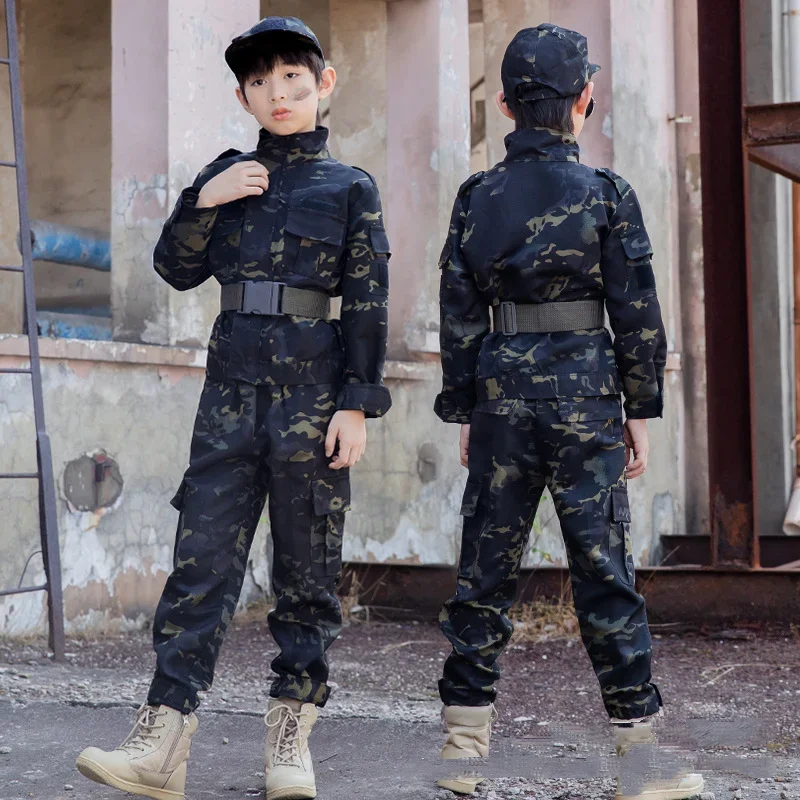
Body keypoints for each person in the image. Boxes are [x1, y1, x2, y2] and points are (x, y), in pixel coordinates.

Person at [76, 16, 391, 800]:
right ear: (244, 96)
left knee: (307, 570)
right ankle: (161, 744)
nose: (275, 95)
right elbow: (174, 270)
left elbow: (369, 304)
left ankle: (291, 738)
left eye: (291, 79)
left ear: (324, 84)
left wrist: (356, 406)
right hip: (229, 402)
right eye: (258, 83)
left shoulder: (350, 188)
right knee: (199, 568)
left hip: (313, 405)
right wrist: (201, 199)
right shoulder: (227, 175)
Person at [433, 23, 703, 800]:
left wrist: (464, 406)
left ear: (510, 107)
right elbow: (637, 312)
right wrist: (639, 409)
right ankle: (641, 765)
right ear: (586, 98)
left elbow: (457, 310)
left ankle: (462, 754)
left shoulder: (477, 197)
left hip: (501, 399)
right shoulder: (607, 194)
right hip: (585, 399)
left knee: (484, 571)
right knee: (603, 572)